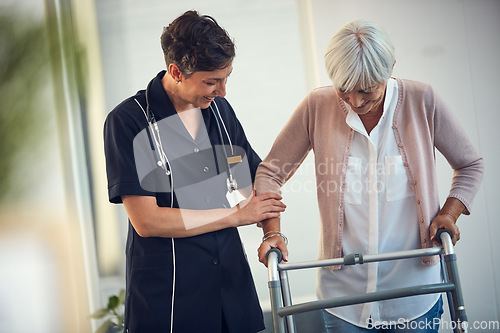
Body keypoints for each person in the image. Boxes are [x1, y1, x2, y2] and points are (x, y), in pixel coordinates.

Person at [256, 20, 483, 332]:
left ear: (390, 67)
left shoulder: (423, 100)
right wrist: (272, 233)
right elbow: (269, 173)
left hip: (415, 293)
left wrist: (449, 213)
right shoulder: (317, 106)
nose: (355, 102)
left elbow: (470, 165)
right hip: (342, 300)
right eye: (344, 90)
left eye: (367, 90)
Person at [103, 10, 286, 332]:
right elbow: (147, 220)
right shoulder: (128, 122)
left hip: (231, 288)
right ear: (176, 71)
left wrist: (272, 232)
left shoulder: (219, 110)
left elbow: (260, 180)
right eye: (212, 81)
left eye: (226, 78)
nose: (222, 91)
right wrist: (234, 216)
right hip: (171, 296)